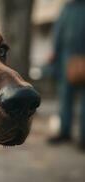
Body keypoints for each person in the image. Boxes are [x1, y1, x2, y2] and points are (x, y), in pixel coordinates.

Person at [48, 0, 85, 151]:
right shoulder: (67, 8)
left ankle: (83, 138)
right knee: (65, 97)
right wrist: (54, 51)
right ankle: (65, 132)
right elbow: (59, 30)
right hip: (66, 58)